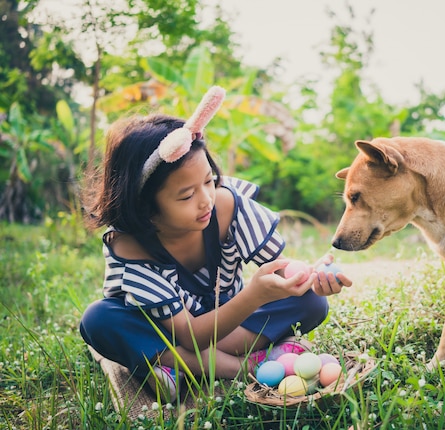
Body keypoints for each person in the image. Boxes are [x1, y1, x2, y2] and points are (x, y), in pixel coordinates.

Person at [79, 86, 351, 400]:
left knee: (312, 302)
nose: (206, 199)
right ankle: (247, 366)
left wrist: (309, 277)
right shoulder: (131, 249)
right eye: (186, 195)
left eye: (208, 181)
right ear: (145, 209)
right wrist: (253, 296)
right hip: (169, 331)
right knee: (99, 320)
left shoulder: (226, 205)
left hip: (227, 325)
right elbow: (191, 334)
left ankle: (177, 365)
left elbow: (279, 269)